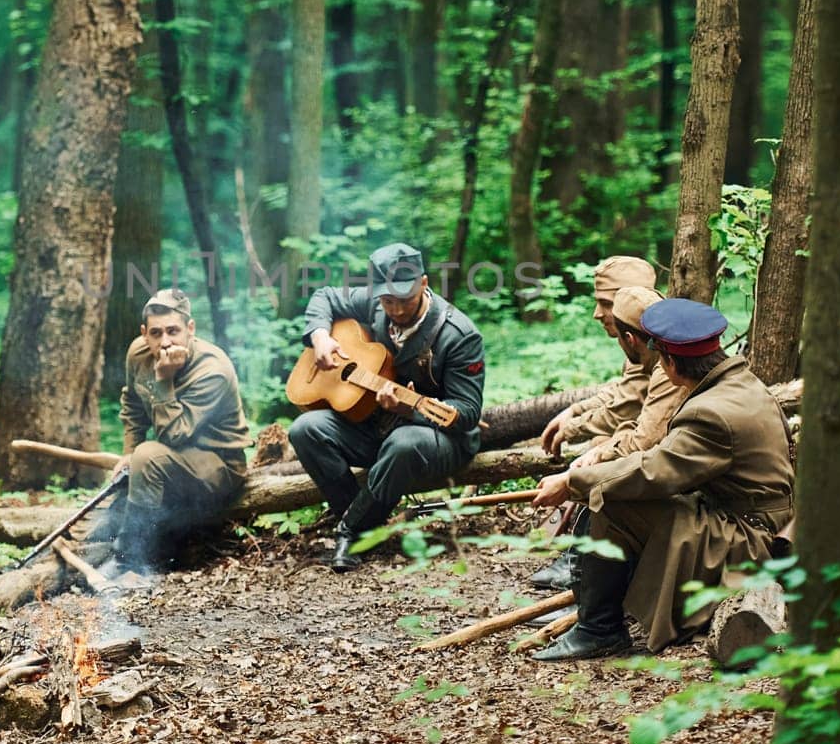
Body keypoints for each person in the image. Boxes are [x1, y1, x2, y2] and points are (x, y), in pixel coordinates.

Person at [529, 298, 794, 662]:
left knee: (611, 498)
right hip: (751, 520)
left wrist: (573, 481)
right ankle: (597, 610)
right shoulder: (740, 383)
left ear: (670, 363)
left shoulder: (711, 412)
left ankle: (599, 630)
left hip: (745, 541)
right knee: (614, 488)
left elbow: (652, 470)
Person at [289, 243, 486, 572]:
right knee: (305, 430)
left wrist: (411, 409)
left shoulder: (458, 335)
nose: (394, 309)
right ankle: (367, 521)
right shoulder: (374, 304)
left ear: (424, 284)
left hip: (434, 438)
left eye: (404, 300)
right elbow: (324, 295)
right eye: (387, 300)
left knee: (403, 443)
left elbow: (466, 414)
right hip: (375, 427)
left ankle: (352, 531)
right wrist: (321, 336)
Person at [524, 285, 689, 620]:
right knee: (603, 467)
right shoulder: (656, 357)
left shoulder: (663, 367)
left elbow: (645, 437)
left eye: (603, 304)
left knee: (607, 489)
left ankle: (595, 613)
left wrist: (589, 464)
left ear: (629, 338)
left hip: (692, 494)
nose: (598, 315)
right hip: (679, 475)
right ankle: (585, 592)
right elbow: (630, 409)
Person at [528, 257, 663, 592]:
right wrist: (574, 412)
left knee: (604, 448)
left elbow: (627, 410)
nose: (597, 314)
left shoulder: (656, 346)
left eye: (605, 303)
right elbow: (624, 392)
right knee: (604, 444)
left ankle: (584, 565)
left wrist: (584, 442)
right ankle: (583, 558)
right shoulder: (642, 342)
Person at [102, 288, 251, 581]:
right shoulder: (138, 353)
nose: (165, 341)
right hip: (174, 462)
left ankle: (132, 561)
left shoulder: (212, 369)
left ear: (190, 329)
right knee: (125, 486)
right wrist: (129, 451)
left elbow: (174, 436)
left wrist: (163, 379)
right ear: (144, 333)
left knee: (149, 456)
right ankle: (112, 552)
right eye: (156, 333)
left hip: (219, 465)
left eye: (173, 331)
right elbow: (132, 403)